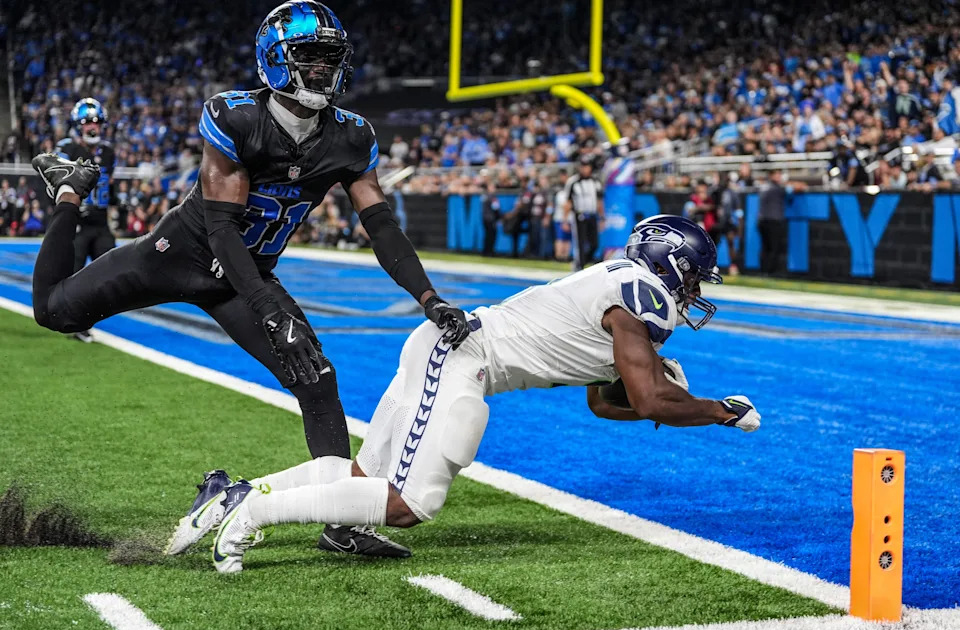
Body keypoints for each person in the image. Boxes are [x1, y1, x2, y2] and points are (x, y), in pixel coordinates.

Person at [30, 0, 470, 559]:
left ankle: (342, 522)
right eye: (309, 58)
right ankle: (69, 188)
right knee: (52, 311)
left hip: (245, 274)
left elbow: (380, 226)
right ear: (275, 61)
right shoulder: (237, 116)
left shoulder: (351, 137)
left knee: (318, 381)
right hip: (179, 253)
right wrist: (266, 305)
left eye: (329, 59)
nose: (321, 71)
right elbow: (220, 229)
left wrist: (428, 298)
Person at [162, 215, 761, 573]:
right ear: (673, 264)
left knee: (361, 474)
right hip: (462, 357)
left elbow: (608, 402)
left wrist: (662, 395)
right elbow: (651, 401)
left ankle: (236, 491)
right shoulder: (641, 296)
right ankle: (255, 511)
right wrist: (719, 411)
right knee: (408, 504)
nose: (698, 289)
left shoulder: (620, 289)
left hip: (450, 351)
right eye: (698, 275)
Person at [55, 99, 117, 343]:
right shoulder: (67, 148)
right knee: (72, 273)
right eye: (87, 122)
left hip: (100, 222)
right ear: (76, 125)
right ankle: (72, 319)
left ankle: (86, 316)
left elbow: (108, 185)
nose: (93, 127)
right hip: (76, 221)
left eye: (96, 122)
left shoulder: (108, 152)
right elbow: (58, 182)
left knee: (109, 272)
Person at [564, 157, 604, 269]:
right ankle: (579, 266)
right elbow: (568, 202)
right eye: (583, 166)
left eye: (587, 166)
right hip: (579, 216)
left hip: (592, 215)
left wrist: (602, 218)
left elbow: (600, 201)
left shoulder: (595, 182)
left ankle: (582, 261)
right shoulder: (573, 182)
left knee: (594, 244)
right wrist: (565, 219)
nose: (585, 169)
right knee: (580, 243)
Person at [757, 169, 791, 275]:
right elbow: (792, 189)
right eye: (778, 175)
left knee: (765, 247)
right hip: (773, 220)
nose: (779, 177)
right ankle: (770, 271)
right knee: (773, 248)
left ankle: (763, 270)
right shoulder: (777, 188)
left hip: (762, 220)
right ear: (771, 176)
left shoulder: (763, 187)